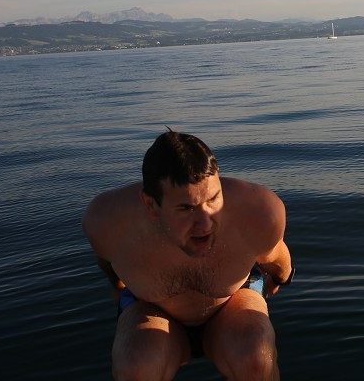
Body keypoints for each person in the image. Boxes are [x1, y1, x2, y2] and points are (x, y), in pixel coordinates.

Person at [83, 129, 294, 381]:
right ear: (150, 205)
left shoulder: (256, 211)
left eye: (213, 199)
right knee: (136, 370)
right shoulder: (108, 222)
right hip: (153, 308)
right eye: (186, 208)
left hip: (232, 301)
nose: (205, 224)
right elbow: (108, 262)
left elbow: (277, 257)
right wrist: (117, 285)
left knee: (256, 360)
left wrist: (282, 280)